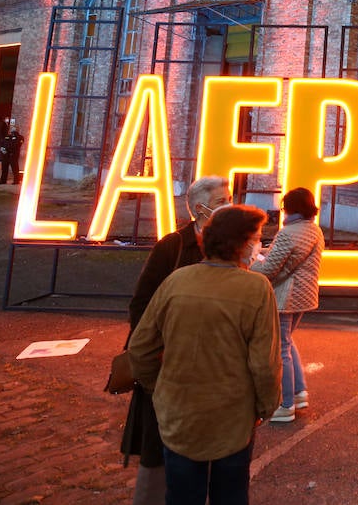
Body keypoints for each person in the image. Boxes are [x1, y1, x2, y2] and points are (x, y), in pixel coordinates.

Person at [128, 204, 280, 505]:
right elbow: (265, 364)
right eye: (258, 237)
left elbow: (140, 348)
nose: (260, 245)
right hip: (232, 417)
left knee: (182, 496)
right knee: (231, 494)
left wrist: (159, 390)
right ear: (241, 243)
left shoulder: (177, 281)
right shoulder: (256, 288)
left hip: (178, 414)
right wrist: (265, 407)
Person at [121, 176, 231, 505]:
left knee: (206, 443)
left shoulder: (229, 247)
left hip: (211, 365)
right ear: (201, 209)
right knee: (161, 443)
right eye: (223, 200)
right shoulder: (173, 246)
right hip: (169, 362)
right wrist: (154, 355)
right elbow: (141, 303)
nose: (229, 204)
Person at [251, 186, 324, 422]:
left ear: (290, 208)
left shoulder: (288, 233)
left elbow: (270, 269)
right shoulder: (314, 230)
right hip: (304, 295)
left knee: (281, 350)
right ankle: (299, 392)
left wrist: (252, 262)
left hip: (285, 297)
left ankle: (286, 405)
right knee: (288, 343)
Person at [0, 119, 23, 184]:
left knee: (14, 168)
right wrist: (2, 148)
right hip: (6, 154)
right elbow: (2, 142)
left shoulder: (19, 137)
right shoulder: (7, 137)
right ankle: (3, 180)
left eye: (13, 129)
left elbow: (15, 145)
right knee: (4, 168)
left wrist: (7, 149)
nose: (11, 130)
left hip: (13, 155)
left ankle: (16, 181)